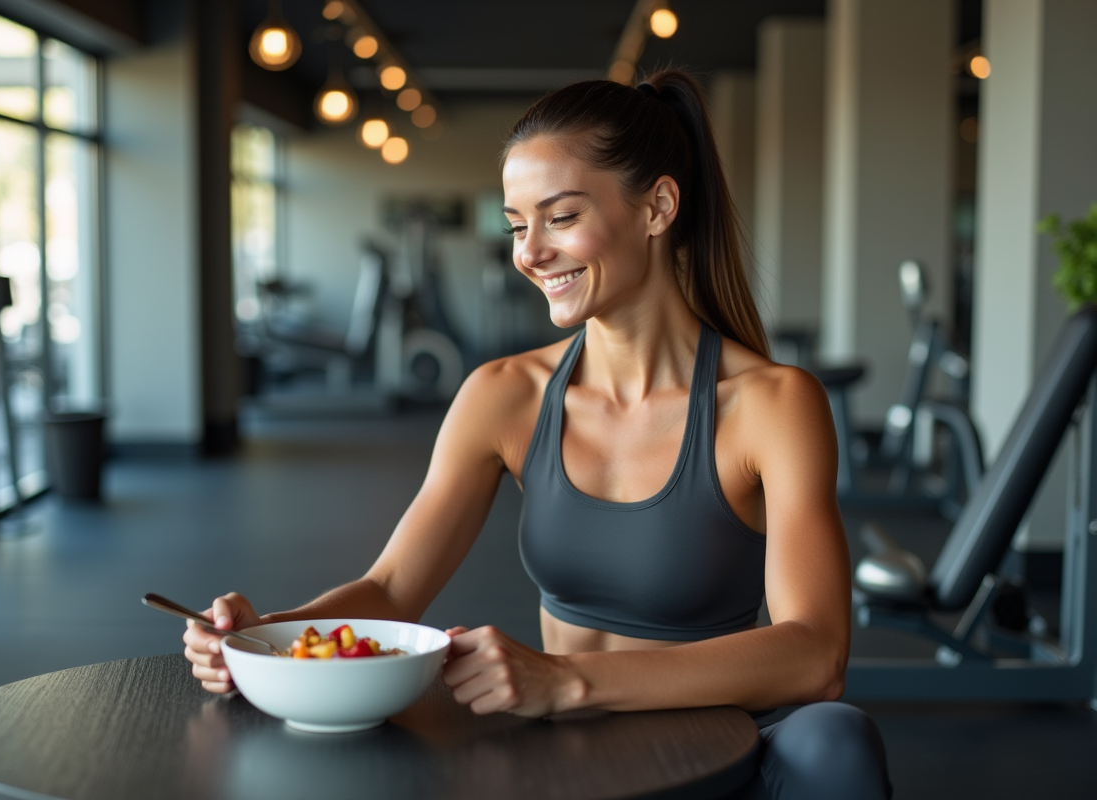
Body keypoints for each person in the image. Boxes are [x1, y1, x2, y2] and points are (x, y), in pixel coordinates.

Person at [184, 70, 892, 799]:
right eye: (518, 225)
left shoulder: (771, 405)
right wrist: (261, 640)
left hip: (713, 760)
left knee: (836, 741)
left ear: (658, 206)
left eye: (558, 217)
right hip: (565, 763)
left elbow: (815, 655)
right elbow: (392, 590)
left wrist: (567, 681)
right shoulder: (503, 395)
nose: (530, 252)